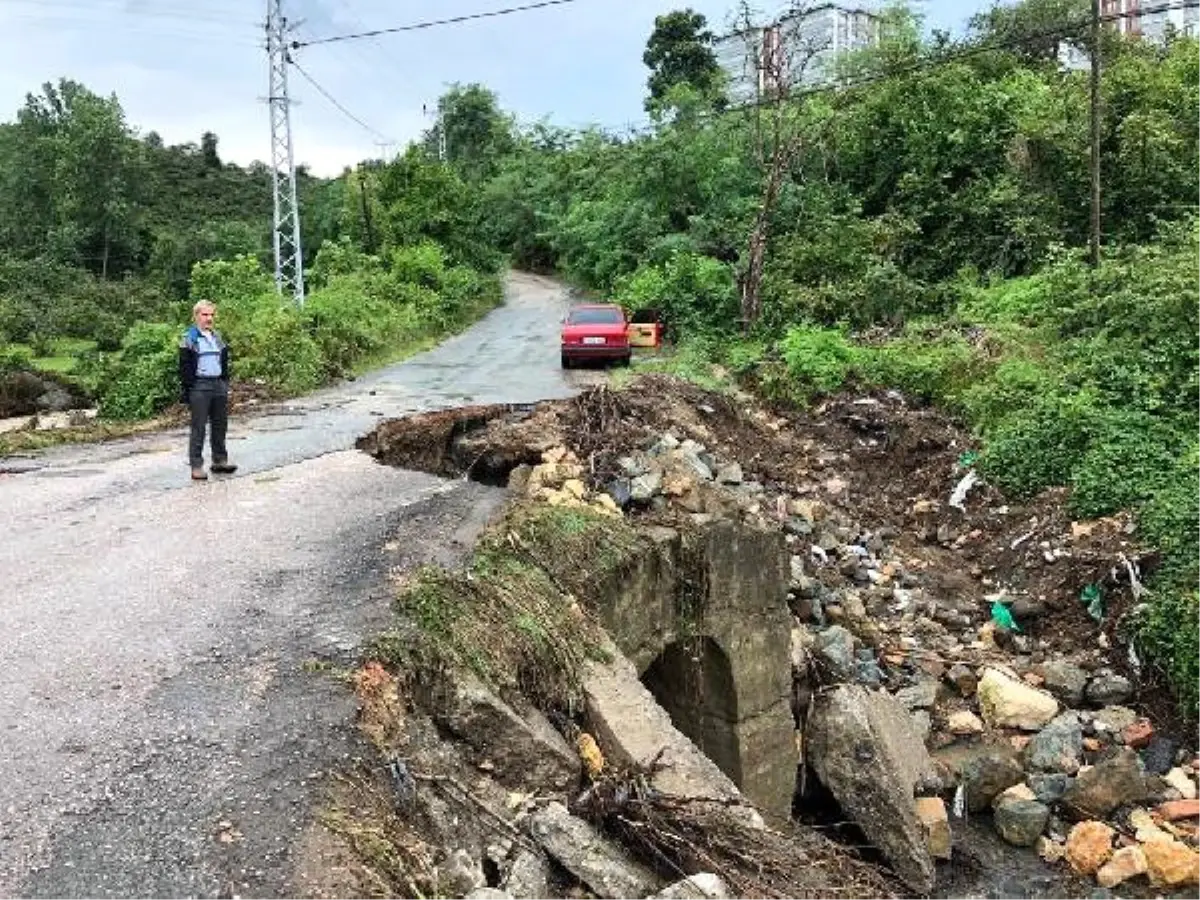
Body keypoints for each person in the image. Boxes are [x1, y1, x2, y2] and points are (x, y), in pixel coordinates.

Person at [178, 300, 237, 481]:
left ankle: (220, 461)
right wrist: (189, 389)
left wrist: (224, 383)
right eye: (205, 315)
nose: (209, 318)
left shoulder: (217, 337)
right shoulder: (189, 338)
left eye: (211, 315)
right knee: (199, 427)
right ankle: (196, 466)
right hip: (200, 386)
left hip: (218, 384)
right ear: (196, 316)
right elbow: (184, 367)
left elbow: (224, 361)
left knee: (220, 425)